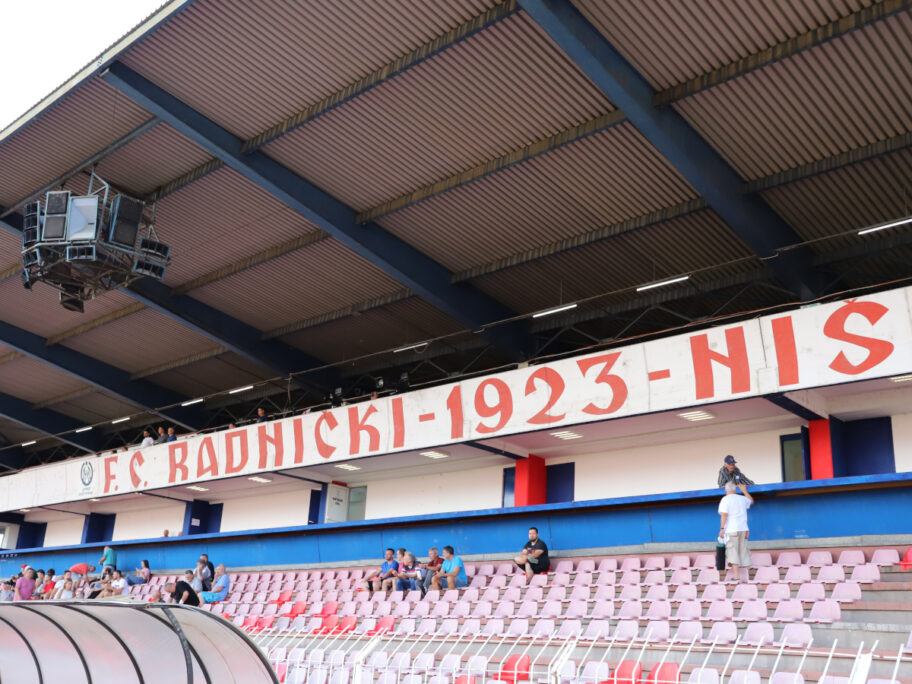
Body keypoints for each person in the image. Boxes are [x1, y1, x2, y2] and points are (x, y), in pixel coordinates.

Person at [718, 481, 754, 580]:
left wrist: (721, 529)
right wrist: (744, 491)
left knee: (732, 551)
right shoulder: (742, 498)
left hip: (731, 529)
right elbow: (751, 501)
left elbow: (724, 515)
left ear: (726, 491)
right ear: (735, 490)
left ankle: (736, 576)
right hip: (744, 529)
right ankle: (748, 576)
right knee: (744, 550)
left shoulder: (725, 499)